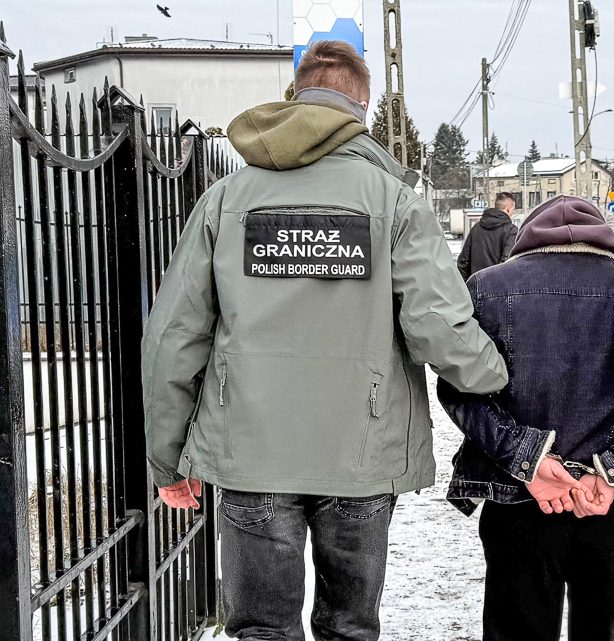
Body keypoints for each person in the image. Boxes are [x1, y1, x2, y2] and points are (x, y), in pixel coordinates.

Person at [140, 40, 508, 641]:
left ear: (295, 98)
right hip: (359, 455)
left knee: (261, 630)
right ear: (361, 110)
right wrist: (500, 377)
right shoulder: (395, 203)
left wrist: (166, 458)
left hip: (251, 453)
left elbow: (173, 339)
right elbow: (439, 328)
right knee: (349, 629)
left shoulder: (226, 201)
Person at [439, 196, 614, 641]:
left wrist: (527, 458)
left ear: (526, 238)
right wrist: (612, 472)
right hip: (610, 502)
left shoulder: (486, 288)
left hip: (516, 496)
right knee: (599, 627)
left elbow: (458, 388)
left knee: (517, 628)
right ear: (606, 240)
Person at [457, 191, 518, 279]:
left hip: (475, 285)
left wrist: (467, 285)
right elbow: (507, 262)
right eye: (513, 209)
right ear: (508, 208)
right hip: (498, 287)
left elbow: (463, 261)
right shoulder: (511, 230)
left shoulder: (476, 228)